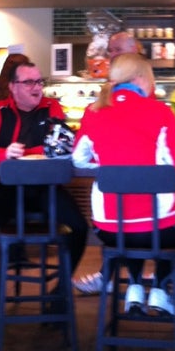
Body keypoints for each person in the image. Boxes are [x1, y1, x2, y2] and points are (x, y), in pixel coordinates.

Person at [0, 60, 89, 328]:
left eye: (39, 81)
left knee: (80, 227)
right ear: (13, 87)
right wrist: (3, 154)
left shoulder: (52, 107)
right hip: (7, 188)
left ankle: (60, 291)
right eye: (29, 82)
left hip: (46, 187)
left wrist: (26, 153)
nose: (36, 87)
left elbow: (61, 146)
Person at [72, 53, 175, 314]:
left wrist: (106, 164)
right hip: (159, 230)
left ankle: (135, 286)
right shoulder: (160, 112)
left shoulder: (93, 112)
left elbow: (78, 159)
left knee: (128, 227)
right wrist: (164, 175)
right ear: (140, 78)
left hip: (109, 228)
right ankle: (160, 289)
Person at [72, 30, 144, 295]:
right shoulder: (114, 87)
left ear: (133, 50)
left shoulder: (139, 86)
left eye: (117, 50)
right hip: (128, 192)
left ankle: (130, 281)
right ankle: (130, 282)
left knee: (123, 218)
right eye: (110, 50)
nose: (111, 55)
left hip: (133, 191)